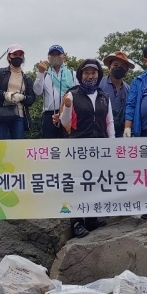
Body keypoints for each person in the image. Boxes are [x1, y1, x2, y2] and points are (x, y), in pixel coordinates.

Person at [59, 59, 113, 237]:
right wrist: (67, 107)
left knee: (94, 183)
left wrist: (112, 145)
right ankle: (76, 222)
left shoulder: (104, 97)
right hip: (78, 146)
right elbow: (65, 123)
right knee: (78, 184)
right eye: (86, 73)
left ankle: (91, 219)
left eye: (93, 73)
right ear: (80, 74)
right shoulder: (72, 94)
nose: (90, 76)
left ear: (99, 75)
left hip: (100, 146)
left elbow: (109, 123)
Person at [0, 44, 36, 139]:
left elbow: (32, 98)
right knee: (0, 146)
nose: (18, 56)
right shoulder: (1, 73)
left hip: (18, 115)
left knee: (17, 146)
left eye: (20, 54)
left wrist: (23, 97)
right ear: (9, 57)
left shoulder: (26, 78)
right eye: (15, 54)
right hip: (1, 113)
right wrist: (5, 95)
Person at [33, 44, 77, 138]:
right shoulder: (45, 75)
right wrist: (40, 73)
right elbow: (37, 91)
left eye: (58, 54)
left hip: (68, 112)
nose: (55, 57)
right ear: (48, 57)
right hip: (49, 114)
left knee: (68, 143)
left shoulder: (72, 74)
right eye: (52, 55)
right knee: (48, 145)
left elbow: (78, 94)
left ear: (64, 57)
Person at [100, 51, 134, 137]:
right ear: (109, 67)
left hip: (122, 134)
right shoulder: (99, 86)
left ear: (126, 70)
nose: (118, 68)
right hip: (102, 133)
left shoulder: (128, 89)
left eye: (122, 66)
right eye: (115, 65)